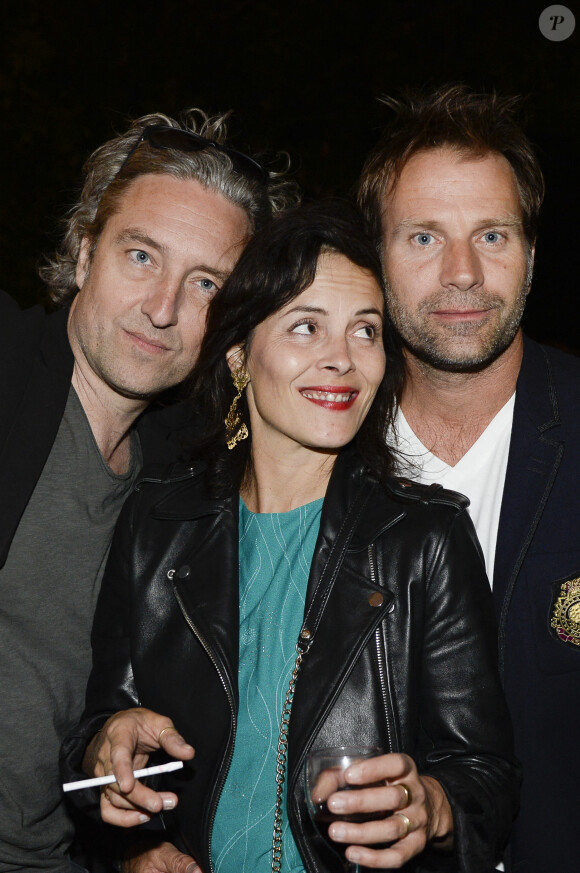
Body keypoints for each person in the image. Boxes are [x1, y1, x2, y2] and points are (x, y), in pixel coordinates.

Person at [62, 202, 519, 873]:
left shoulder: (426, 538)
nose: (342, 359)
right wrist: (134, 836)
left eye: (366, 331)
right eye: (307, 327)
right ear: (241, 355)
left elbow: (487, 776)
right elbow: (92, 751)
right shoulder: (157, 525)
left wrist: (435, 805)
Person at [0, 108, 293, 873]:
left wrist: (131, 847)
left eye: (204, 283)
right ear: (86, 248)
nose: (162, 309)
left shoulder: (186, 485)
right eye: (141, 256)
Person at [357, 84, 580, 873]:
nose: (461, 273)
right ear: (376, 257)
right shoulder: (317, 450)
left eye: (491, 234)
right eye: (423, 236)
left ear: (530, 254)